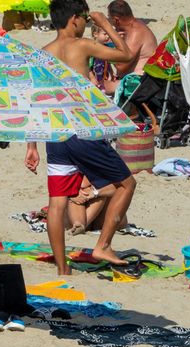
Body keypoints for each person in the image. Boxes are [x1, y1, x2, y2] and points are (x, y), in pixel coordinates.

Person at [24, 0, 137, 274]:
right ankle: (103, 245)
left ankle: (63, 269)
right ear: (74, 18)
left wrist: (31, 145)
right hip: (83, 131)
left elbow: (34, 102)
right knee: (127, 185)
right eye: (85, 19)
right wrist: (104, 24)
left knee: (57, 202)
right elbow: (126, 55)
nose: (86, 24)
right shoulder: (81, 45)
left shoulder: (42, 54)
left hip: (55, 134)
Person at [102, 0, 157, 93]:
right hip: (137, 79)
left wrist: (105, 52)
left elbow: (121, 66)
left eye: (109, 18)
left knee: (99, 87)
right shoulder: (134, 26)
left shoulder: (135, 32)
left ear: (116, 20)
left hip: (139, 82)